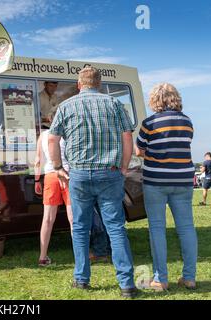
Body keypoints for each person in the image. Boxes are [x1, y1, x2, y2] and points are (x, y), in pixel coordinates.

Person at [48, 66, 137, 298]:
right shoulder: (115, 104)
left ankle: (81, 279)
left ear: (79, 85)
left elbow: (52, 139)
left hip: (78, 174)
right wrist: (125, 165)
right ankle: (126, 285)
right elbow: (127, 136)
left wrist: (57, 167)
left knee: (79, 227)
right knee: (115, 227)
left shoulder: (66, 106)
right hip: (110, 172)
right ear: (99, 84)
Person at [135, 83, 198, 291]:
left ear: (155, 100)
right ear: (175, 98)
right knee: (186, 228)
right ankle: (189, 277)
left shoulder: (149, 123)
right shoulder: (187, 122)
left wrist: (153, 154)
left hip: (156, 181)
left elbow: (139, 151)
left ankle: (160, 279)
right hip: (183, 180)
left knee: (157, 228)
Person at [34, 116, 72, 266]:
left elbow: (38, 160)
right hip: (68, 175)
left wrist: (37, 180)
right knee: (73, 219)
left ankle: (42, 257)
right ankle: (80, 254)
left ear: (50, 119)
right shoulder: (69, 133)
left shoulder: (43, 135)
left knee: (48, 219)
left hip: (50, 176)